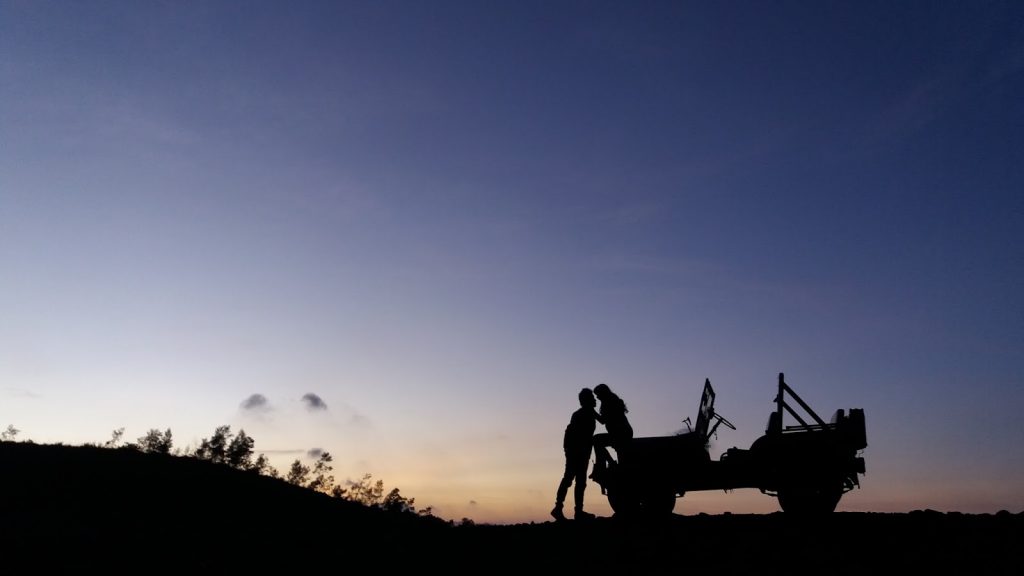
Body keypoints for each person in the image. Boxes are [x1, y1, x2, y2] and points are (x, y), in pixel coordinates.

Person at [551, 387, 598, 521]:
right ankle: (559, 508)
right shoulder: (581, 414)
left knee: (579, 481)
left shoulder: (589, 412)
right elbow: (573, 434)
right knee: (571, 479)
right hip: (577, 452)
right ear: (587, 400)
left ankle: (576, 511)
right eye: (593, 398)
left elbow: (602, 420)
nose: (595, 400)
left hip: (581, 452)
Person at [591, 383, 633, 484]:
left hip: (621, 434)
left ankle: (605, 465)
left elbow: (603, 420)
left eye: (598, 394)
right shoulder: (611, 400)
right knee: (597, 440)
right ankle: (606, 464)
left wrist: (592, 412)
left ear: (603, 393)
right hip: (622, 433)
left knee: (597, 440)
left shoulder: (610, 402)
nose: (597, 397)